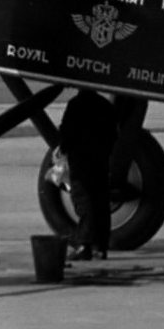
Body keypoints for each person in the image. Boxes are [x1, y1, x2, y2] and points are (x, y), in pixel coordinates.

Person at [53, 91, 119, 260]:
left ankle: (84, 244)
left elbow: (66, 130)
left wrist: (63, 148)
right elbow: (113, 134)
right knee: (101, 200)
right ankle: (100, 247)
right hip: (100, 158)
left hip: (81, 158)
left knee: (85, 199)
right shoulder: (105, 105)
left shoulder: (76, 104)